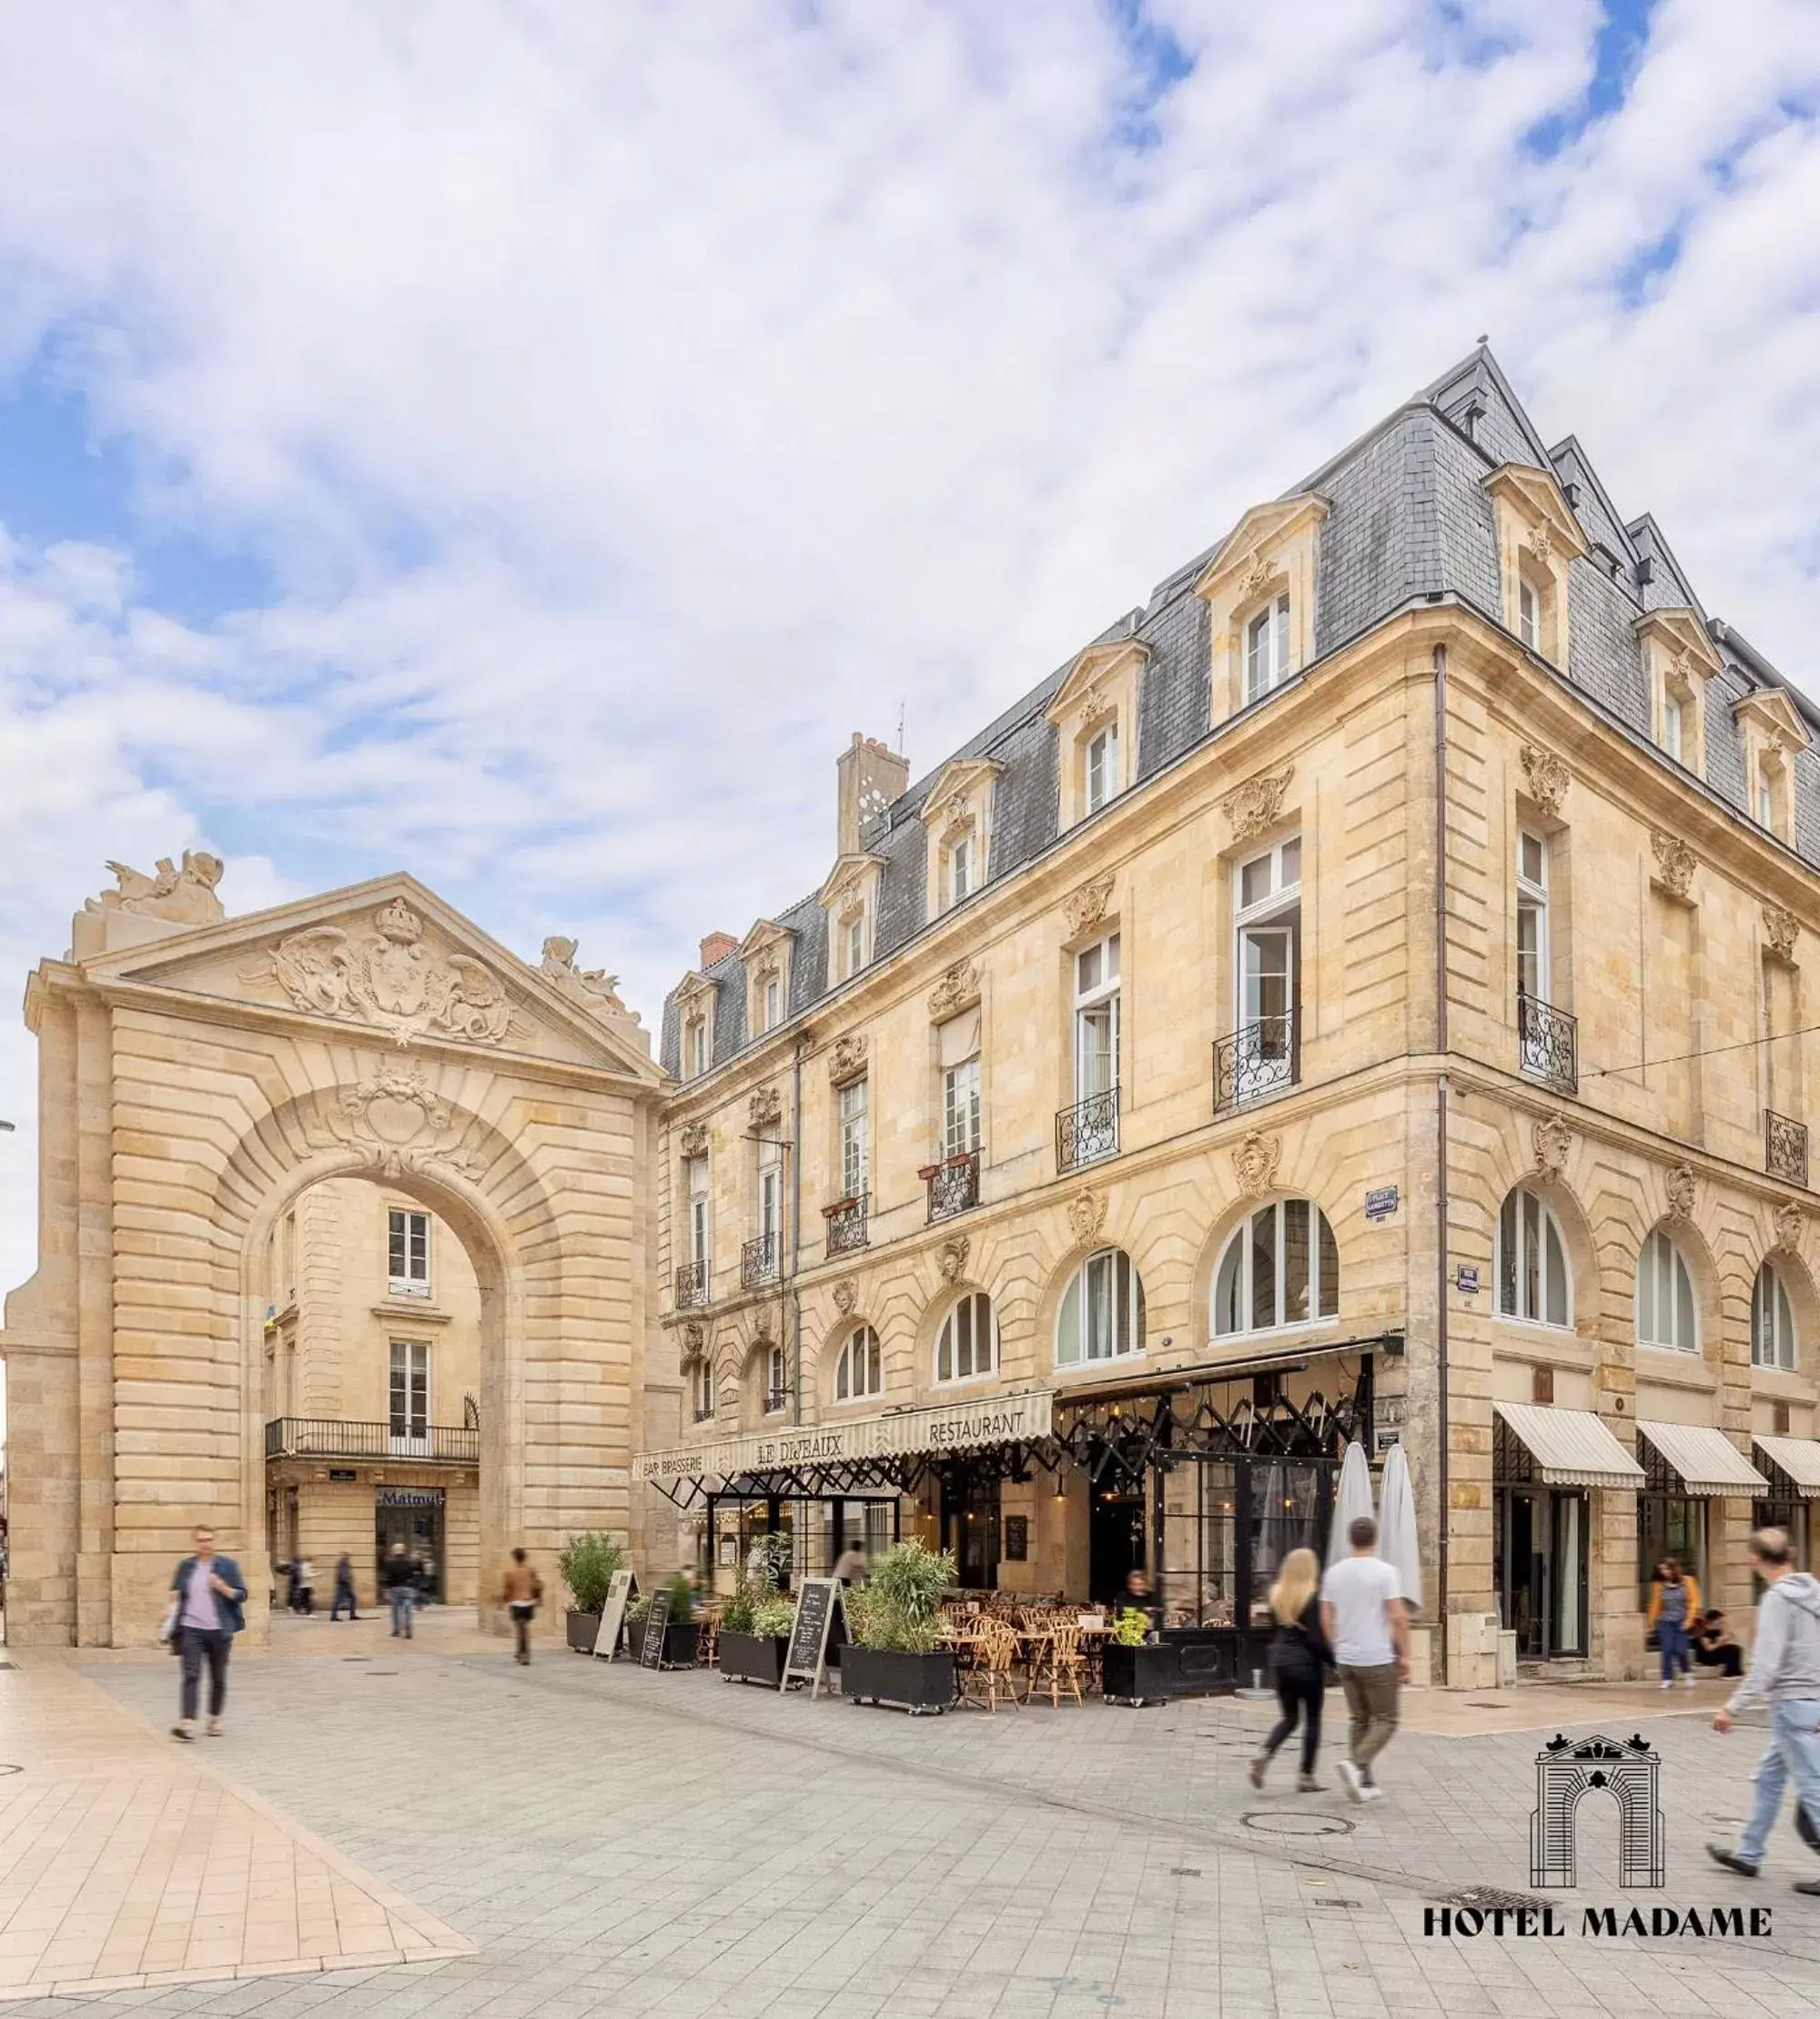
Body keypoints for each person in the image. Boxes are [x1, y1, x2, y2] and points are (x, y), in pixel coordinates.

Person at [1706, 1528, 1820, 1893]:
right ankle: (1750, 1854)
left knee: (1813, 1787)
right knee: (1769, 1778)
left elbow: (1765, 1667)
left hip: (1791, 1705)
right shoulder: (1815, 1593)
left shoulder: (1777, 1600)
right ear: (1791, 1553)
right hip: (1808, 1703)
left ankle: (1751, 1854)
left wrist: (1731, 1707)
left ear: (1755, 1560)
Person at [1319, 1515, 1409, 1804]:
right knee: (1387, 1719)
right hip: (1377, 1656)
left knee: (1360, 1719)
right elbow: (1398, 1617)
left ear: (1350, 1540)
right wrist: (1404, 1655)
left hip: (1346, 1656)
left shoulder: (1334, 1573)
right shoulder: (1386, 1573)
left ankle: (1364, 1782)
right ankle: (1356, 1765)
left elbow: (1325, 1617)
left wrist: (1336, 1646)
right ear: (1375, 1540)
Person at [1250, 1546, 1333, 1794]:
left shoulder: (1277, 1596)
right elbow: (1316, 1640)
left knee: (1289, 1718)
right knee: (1313, 1721)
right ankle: (1306, 1776)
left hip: (1281, 1663)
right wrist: (1334, 1661)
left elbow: (1276, 1631)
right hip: (1307, 1665)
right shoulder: (1312, 1598)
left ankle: (1265, 1754)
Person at [168, 1526, 248, 1742]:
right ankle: (187, 1724)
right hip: (191, 1628)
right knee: (191, 1675)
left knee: (218, 1677)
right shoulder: (186, 1566)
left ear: (215, 1541)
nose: (206, 1544)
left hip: (219, 1630)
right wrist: (171, 1610)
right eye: (202, 1540)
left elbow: (242, 1595)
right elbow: (176, 1593)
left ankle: (214, 1718)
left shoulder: (228, 1566)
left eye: (210, 1540)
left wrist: (223, 1588)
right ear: (195, 1542)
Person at [1647, 1558, 1700, 1689]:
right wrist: (1650, 1623)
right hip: (1665, 1622)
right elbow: (1655, 1605)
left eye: (1666, 1569)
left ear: (1674, 1569)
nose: (1664, 1572)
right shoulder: (1659, 1585)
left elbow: (1693, 1603)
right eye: (1662, 1570)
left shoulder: (1688, 1581)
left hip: (1681, 1621)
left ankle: (1687, 1672)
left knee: (1681, 1651)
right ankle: (1667, 1679)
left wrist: (1689, 1621)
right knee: (1667, 1650)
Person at [500, 1547, 543, 1665]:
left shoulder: (510, 1572)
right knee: (524, 1628)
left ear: (514, 1558)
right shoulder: (531, 1570)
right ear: (525, 1557)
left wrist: (504, 1599)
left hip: (517, 1603)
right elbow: (537, 1585)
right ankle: (521, 1652)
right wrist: (538, 1599)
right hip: (529, 1603)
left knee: (521, 1629)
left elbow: (507, 1590)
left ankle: (523, 1654)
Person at [1693, 1608, 1744, 1679]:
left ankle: (1736, 1671)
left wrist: (1726, 1638)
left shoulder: (1717, 1629)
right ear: (1713, 1621)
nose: (1722, 1623)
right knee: (1731, 1650)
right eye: (1719, 1621)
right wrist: (1720, 1643)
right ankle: (1728, 1673)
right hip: (1706, 1657)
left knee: (1736, 1648)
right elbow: (1708, 1648)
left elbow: (1721, 1641)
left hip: (1715, 1651)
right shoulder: (1704, 1631)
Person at [383, 1541, 418, 1638]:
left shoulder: (390, 1563)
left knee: (395, 1610)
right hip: (407, 1588)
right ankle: (408, 1627)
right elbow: (412, 1576)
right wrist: (413, 1588)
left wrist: (387, 1590)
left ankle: (396, 1630)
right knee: (408, 1609)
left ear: (394, 1551)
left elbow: (388, 1578)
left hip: (395, 1589)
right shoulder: (409, 1562)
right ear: (403, 1551)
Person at [330, 1553, 358, 1622]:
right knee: (337, 1601)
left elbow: (347, 1573)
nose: (349, 1557)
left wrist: (351, 1579)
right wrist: (348, 1580)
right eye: (348, 1555)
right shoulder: (342, 1563)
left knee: (353, 1598)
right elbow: (343, 1574)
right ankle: (333, 1617)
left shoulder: (346, 1563)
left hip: (346, 1584)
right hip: (343, 1585)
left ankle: (352, 1615)